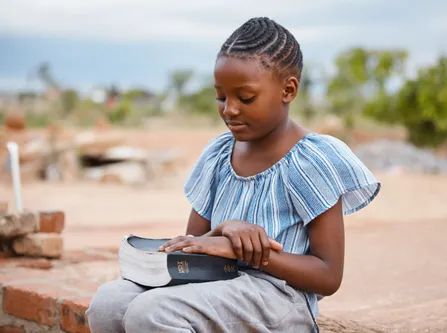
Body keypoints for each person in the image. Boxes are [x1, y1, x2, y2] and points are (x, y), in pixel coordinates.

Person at [86, 17, 381, 333]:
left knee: (152, 313)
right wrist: (222, 234)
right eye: (221, 96)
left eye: (246, 97)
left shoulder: (310, 160)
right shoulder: (217, 155)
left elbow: (328, 275)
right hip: (217, 280)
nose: (229, 109)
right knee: (108, 304)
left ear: (288, 90)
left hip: (279, 297)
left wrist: (247, 252)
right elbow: (196, 246)